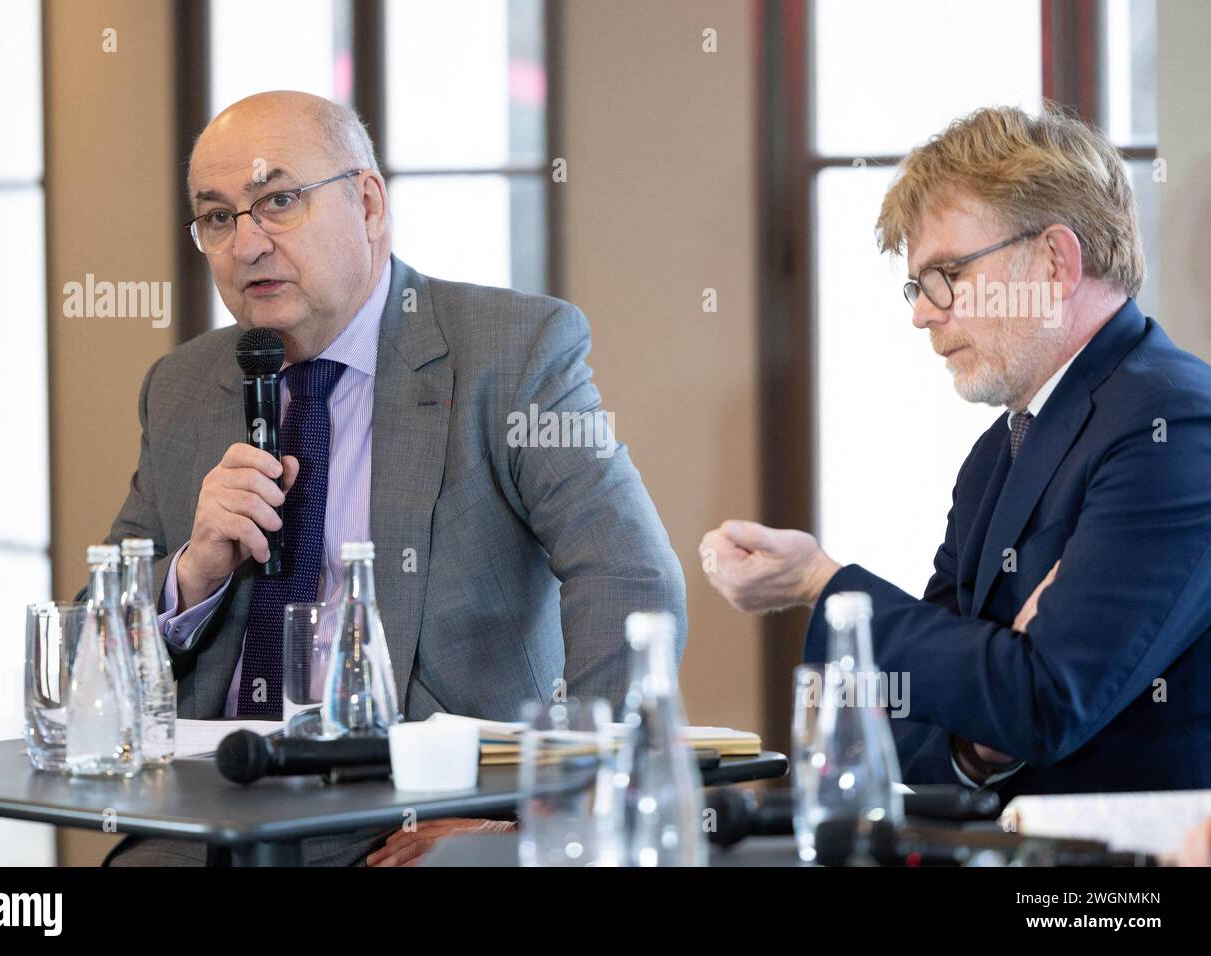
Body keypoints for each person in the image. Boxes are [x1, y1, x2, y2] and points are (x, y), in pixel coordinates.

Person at [102, 90, 686, 865]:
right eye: (218, 217)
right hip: (212, 816)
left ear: (368, 203)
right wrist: (192, 572)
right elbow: (94, 655)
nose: (247, 245)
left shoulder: (510, 355)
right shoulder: (182, 387)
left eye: (278, 201)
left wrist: (547, 809)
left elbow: (630, 576)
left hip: (421, 818)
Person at [702, 105, 1211, 798]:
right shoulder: (994, 456)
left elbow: (1042, 701)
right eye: (918, 285)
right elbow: (917, 721)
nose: (921, 311)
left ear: (1054, 261)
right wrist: (976, 740)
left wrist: (822, 585)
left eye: (948, 273)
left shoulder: (1174, 424)